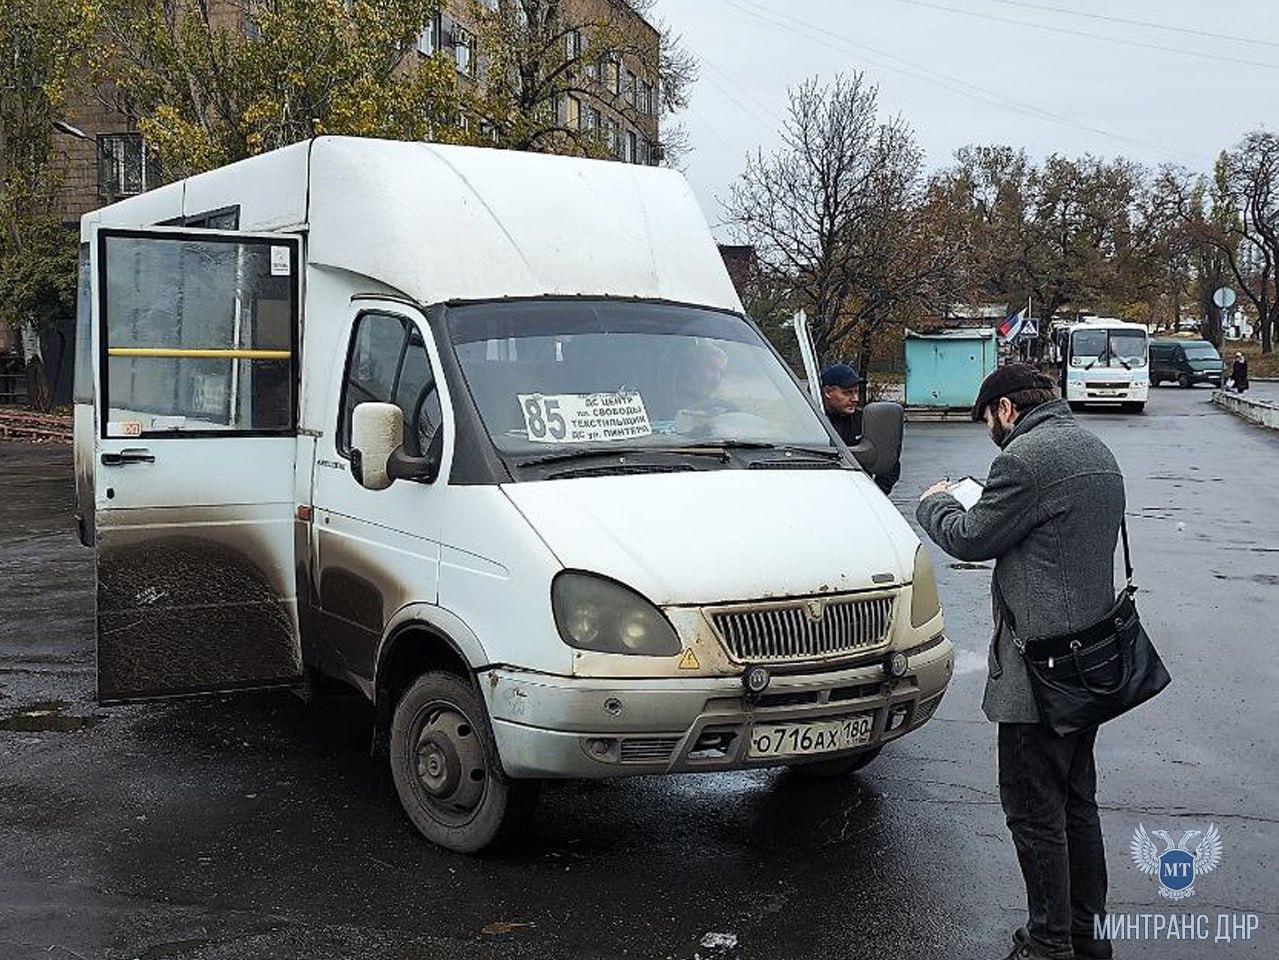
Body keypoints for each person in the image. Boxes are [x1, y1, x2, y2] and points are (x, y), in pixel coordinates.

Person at [915, 363, 1125, 960]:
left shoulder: (1026, 458)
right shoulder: (1094, 447)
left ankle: (1047, 942)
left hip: (1039, 672)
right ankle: (1087, 934)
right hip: (1090, 664)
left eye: (988, 421)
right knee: (1077, 803)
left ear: (1005, 409)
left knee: (1034, 812)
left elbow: (971, 537)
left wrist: (935, 504)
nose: (991, 432)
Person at [820, 363, 899, 494]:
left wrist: (876, 494)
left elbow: (889, 463)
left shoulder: (866, 422)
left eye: (856, 392)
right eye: (847, 393)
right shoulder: (810, 423)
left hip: (859, 495)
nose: (855, 399)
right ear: (828, 392)